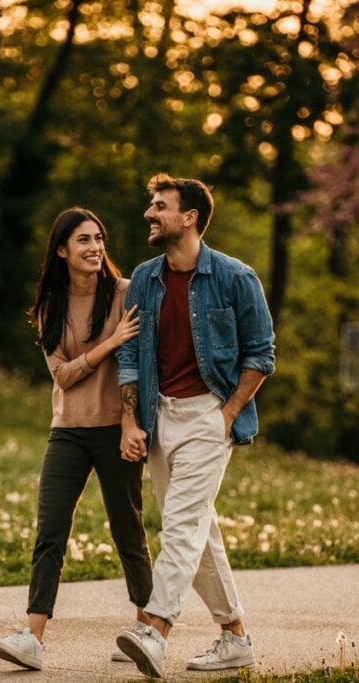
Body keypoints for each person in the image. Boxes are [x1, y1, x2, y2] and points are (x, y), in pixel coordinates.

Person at [114, 174, 276, 678]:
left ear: (189, 218)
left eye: (159, 206)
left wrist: (225, 417)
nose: (149, 213)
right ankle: (236, 638)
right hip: (161, 417)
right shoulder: (145, 278)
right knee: (199, 531)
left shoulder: (235, 278)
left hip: (210, 414)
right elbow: (128, 352)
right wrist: (130, 418)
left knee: (181, 525)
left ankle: (155, 630)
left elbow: (262, 354)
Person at [0, 207, 154, 671]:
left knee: (127, 528)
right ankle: (32, 638)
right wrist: (108, 342)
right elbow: (62, 376)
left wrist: (129, 421)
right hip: (67, 431)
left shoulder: (124, 294)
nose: (95, 247)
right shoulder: (49, 307)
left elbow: (135, 361)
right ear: (62, 250)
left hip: (115, 427)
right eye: (83, 240)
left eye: (99, 238)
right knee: (50, 531)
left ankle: (144, 630)